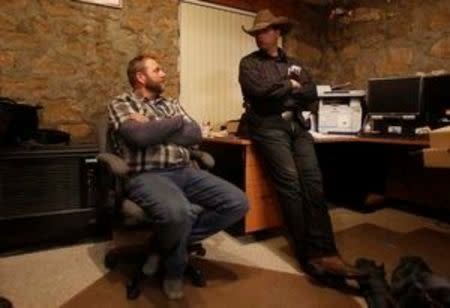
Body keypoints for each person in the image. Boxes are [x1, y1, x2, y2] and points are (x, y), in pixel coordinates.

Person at [238, 9, 366, 283]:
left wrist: (288, 89)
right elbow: (259, 93)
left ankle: (328, 253)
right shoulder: (248, 64)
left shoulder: (295, 62)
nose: (260, 36)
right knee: (291, 187)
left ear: (278, 33)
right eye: (257, 32)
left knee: (314, 184)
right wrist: (291, 85)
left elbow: (310, 94)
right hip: (269, 128)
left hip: (297, 126)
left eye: (265, 31)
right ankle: (310, 257)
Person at [108, 53, 249, 300]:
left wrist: (151, 124)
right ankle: (174, 270)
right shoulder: (121, 103)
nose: (164, 74)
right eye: (157, 70)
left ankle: (160, 245)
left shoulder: (170, 103)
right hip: (146, 175)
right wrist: (174, 124)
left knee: (238, 202)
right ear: (140, 77)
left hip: (184, 171)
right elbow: (138, 137)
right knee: (178, 213)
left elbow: (194, 135)